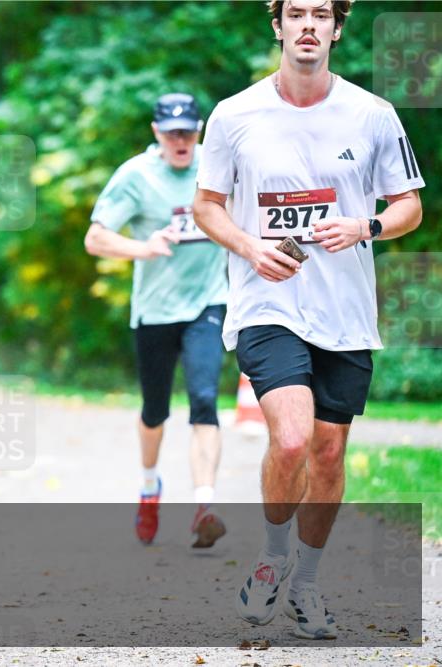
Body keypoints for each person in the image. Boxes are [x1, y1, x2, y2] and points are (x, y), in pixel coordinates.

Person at [193, 0, 424, 640]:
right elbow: (207, 206)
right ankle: (273, 558)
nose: (308, 25)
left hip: (345, 312)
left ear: (337, 27)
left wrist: (365, 225)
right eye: (296, 12)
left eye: (321, 14)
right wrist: (250, 247)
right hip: (268, 302)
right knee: (292, 439)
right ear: (278, 25)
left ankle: (307, 585)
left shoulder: (373, 114)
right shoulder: (234, 114)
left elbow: (408, 206)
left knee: (327, 452)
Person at [85, 93, 229, 549]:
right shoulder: (137, 175)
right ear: (156, 133)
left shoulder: (219, 167)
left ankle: (204, 506)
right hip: (155, 311)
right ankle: (150, 486)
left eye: (187, 132)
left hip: (208, 303)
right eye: (171, 133)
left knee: (205, 399)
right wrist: (142, 248)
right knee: (155, 411)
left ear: (200, 130)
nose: (180, 140)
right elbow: (95, 238)